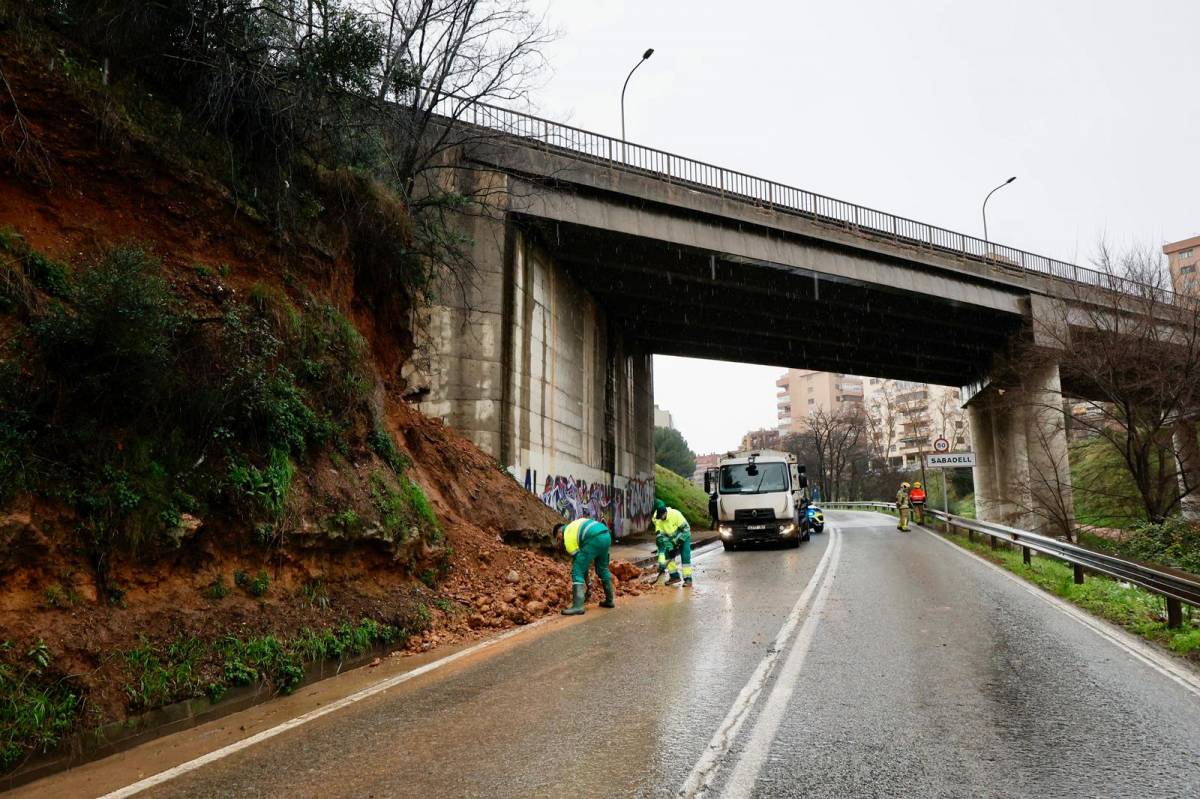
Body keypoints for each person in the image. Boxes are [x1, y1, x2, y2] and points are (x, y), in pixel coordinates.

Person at [553, 517, 615, 616]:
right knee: (602, 569)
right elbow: (584, 564)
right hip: (606, 535)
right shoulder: (573, 526)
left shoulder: (568, 536)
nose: (559, 542)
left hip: (594, 538)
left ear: (560, 532)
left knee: (576, 570)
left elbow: (581, 566)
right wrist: (588, 584)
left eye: (558, 538)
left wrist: (588, 583)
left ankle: (578, 606)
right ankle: (610, 600)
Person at [653, 499, 693, 586]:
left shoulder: (675, 514)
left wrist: (679, 541)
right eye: (659, 517)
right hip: (671, 539)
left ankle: (688, 579)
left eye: (662, 516)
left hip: (684, 537)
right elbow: (663, 538)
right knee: (668, 555)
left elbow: (686, 529)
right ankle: (674, 576)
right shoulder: (658, 519)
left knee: (685, 556)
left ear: (665, 512)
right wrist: (670, 547)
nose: (661, 519)